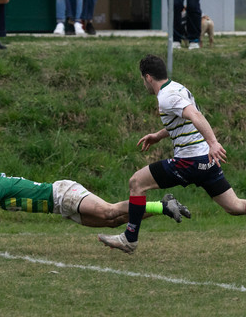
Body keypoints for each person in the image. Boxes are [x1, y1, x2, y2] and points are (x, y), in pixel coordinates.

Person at [98, 54, 246, 254]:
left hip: (189, 161)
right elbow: (184, 121)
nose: (144, 84)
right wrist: (159, 135)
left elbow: (195, 115)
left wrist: (213, 143)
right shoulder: (177, 87)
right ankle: (129, 238)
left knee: (136, 183)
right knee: (235, 206)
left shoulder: (167, 97)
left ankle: (129, 239)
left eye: (143, 80)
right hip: (207, 162)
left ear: (148, 77)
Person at [0, 158, 190, 241]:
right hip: (60, 207)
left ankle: (163, 205)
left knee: (111, 211)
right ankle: (164, 208)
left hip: (63, 194)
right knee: (113, 223)